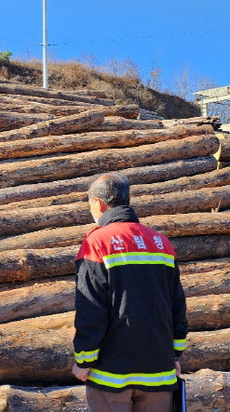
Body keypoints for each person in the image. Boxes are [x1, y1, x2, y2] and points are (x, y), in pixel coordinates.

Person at [72, 173, 188, 412]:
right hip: (159, 370)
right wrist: (175, 355)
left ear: (98, 203)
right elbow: (177, 304)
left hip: (112, 373)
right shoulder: (161, 243)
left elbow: (91, 307)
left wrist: (84, 359)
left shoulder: (97, 242)